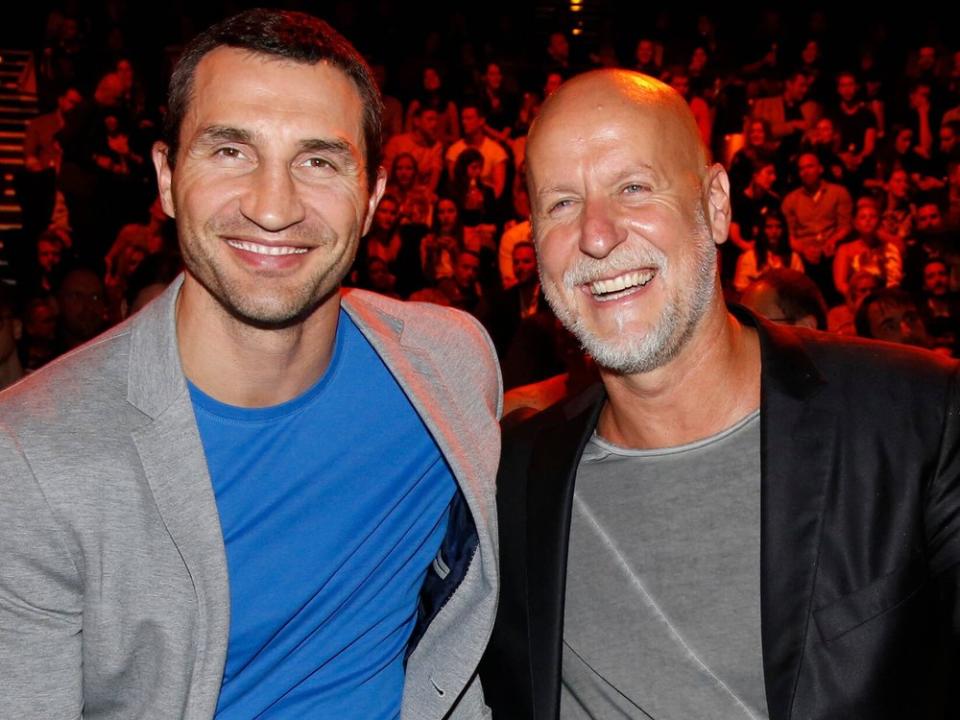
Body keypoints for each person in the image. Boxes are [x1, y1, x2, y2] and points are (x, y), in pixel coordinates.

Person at [0, 10, 501, 719]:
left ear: (375, 199)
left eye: (318, 161)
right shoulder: (30, 455)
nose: (273, 207)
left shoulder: (449, 363)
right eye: (231, 152)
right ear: (167, 178)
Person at [480, 68, 960, 719]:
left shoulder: (915, 417)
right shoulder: (507, 485)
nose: (597, 234)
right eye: (561, 203)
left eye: (634, 187)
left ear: (715, 203)